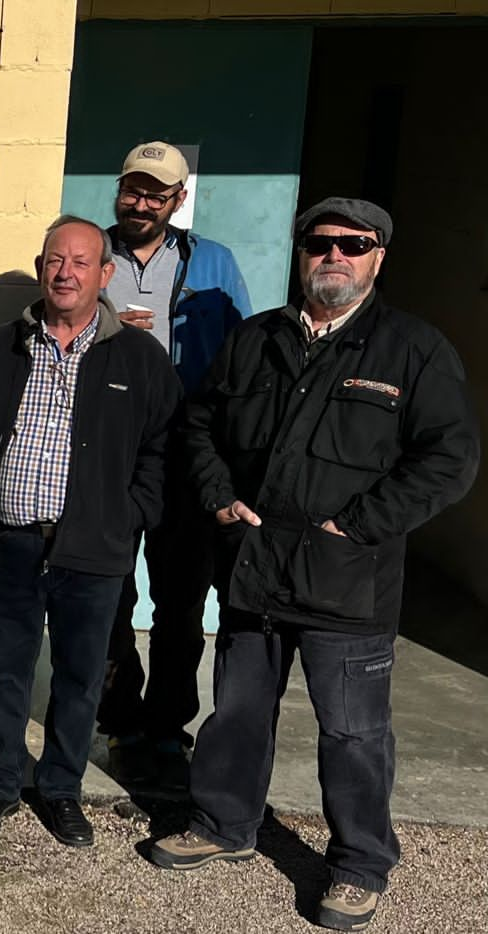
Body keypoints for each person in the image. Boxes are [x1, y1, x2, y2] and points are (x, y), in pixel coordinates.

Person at [148, 198, 479, 932]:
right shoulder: (255, 338)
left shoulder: (413, 351)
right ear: (302, 253)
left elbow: (451, 460)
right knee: (235, 714)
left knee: (354, 733)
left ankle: (360, 863)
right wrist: (220, 499)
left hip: (346, 579)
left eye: (353, 245)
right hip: (254, 568)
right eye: (320, 242)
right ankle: (223, 824)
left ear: (378, 257)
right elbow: (199, 423)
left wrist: (358, 524)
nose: (335, 255)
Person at [0, 216, 180, 848]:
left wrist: (132, 513)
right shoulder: (0, 348)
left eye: (80, 263)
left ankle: (62, 789)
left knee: (79, 674)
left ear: (105, 273)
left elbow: (163, 449)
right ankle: (2, 782)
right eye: (54, 261)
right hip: (9, 541)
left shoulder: (139, 358)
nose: (65, 273)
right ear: (42, 269)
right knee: (4, 669)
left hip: (93, 550)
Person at [96, 141, 253, 781]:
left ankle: (168, 724)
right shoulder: (91, 252)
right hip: (107, 448)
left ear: (177, 200)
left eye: (155, 194)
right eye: (132, 189)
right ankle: (118, 718)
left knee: (181, 598)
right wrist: (111, 329)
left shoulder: (212, 260)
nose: (140, 203)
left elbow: (240, 352)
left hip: (183, 448)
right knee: (107, 589)